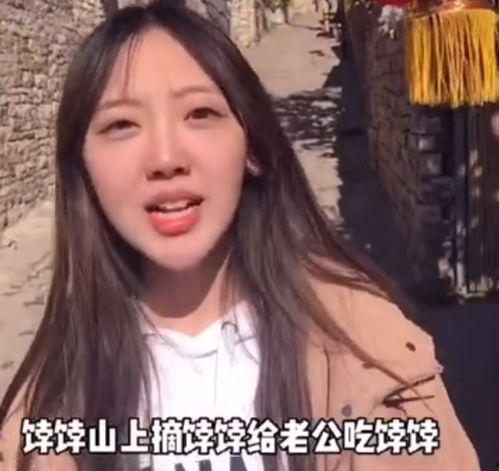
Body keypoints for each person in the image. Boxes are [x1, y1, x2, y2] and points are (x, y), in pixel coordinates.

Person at [0, 1, 479, 470]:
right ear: (83, 168)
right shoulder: (41, 418)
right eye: (122, 125)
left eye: (199, 114)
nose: (166, 159)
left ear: (253, 147)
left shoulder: (374, 355)